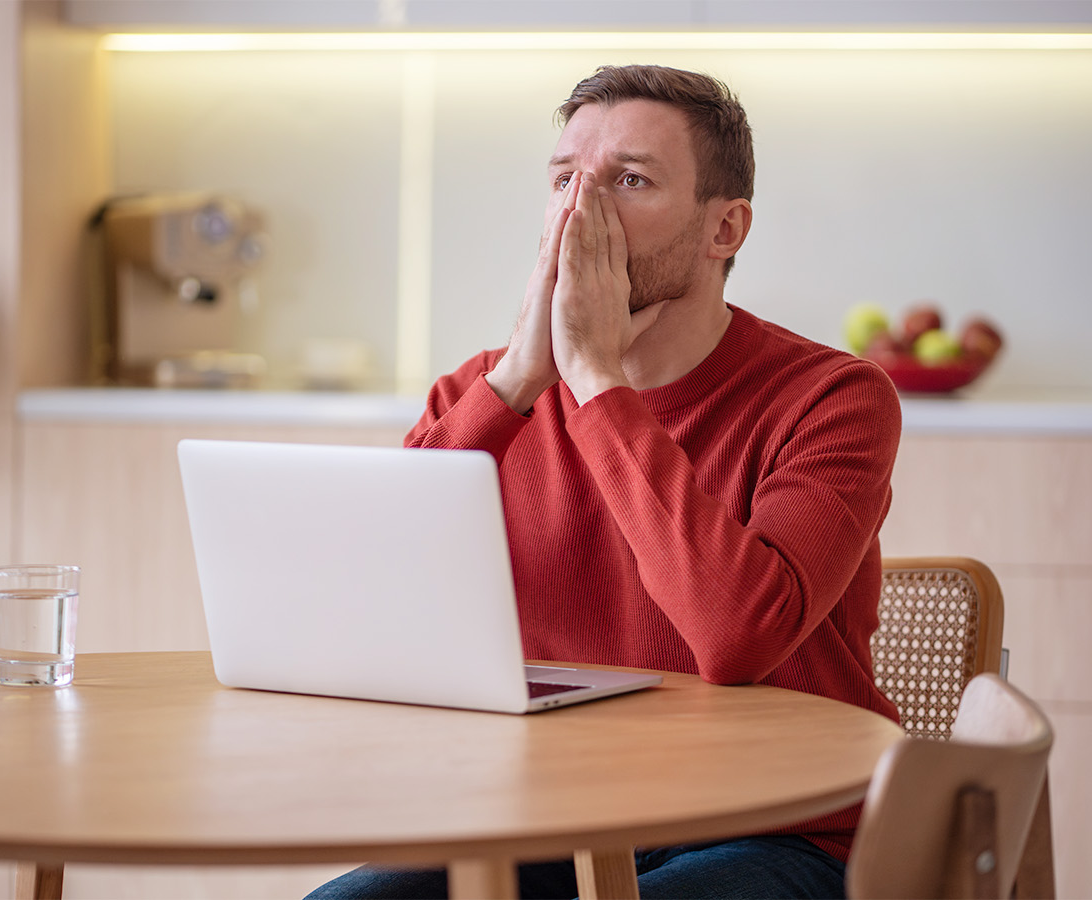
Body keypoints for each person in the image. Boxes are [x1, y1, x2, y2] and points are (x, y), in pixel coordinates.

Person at [307, 64, 901, 900]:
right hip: (551, 820)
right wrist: (519, 378)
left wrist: (593, 376)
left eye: (629, 180)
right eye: (563, 180)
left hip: (780, 830)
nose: (578, 213)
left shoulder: (834, 398)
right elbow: (367, 599)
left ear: (723, 228)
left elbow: (735, 636)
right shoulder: (482, 396)